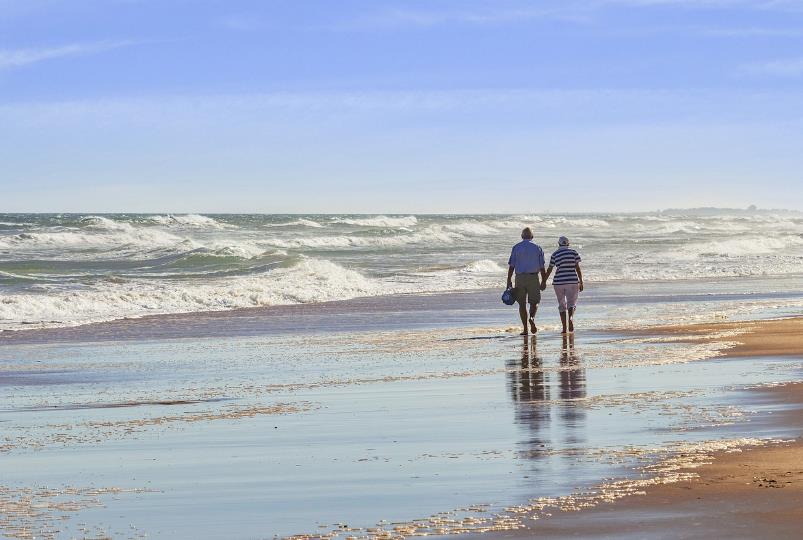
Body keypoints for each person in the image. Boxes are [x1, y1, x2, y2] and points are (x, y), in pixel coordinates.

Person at [506, 227, 547, 335]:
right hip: (533, 277)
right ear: (532, 237)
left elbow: (511, 266)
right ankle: (532, 318)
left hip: (519, 278)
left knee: (522, 304)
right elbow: (542, 267)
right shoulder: (537, 248)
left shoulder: (516, 247)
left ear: (522, 236)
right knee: (535, 302)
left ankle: (525, 329)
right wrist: (543, 281)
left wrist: (508, 280)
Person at [543, 236, 584, 334]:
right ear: (568, 244)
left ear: (559, 244)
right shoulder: (574, 252)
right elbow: (577, 268)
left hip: (558, 282)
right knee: (571, 303)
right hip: (572, 280)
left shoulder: (555, 254)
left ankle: (564, 328)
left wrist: (543, 281)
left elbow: (550, 269)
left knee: (562, 305)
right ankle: (570, 318)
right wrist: (581, 281)